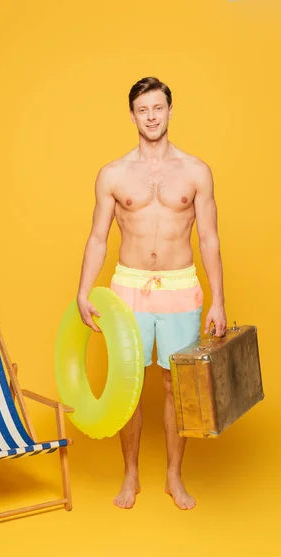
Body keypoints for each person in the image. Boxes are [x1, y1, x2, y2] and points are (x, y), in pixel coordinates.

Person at [76, 77, 227, 511]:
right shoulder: (113, 174)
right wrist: (84, 290)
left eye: (158, 108)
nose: (152, 117)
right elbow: (98, 239)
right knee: (130, 385)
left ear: (170, 111)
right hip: (129, 286)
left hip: (181, 287)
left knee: (177, 385)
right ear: (132, 115)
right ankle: (131, 477)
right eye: (143, 110)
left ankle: (174, 478)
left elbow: (210, 240)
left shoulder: (196, 171)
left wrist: (218, 299)